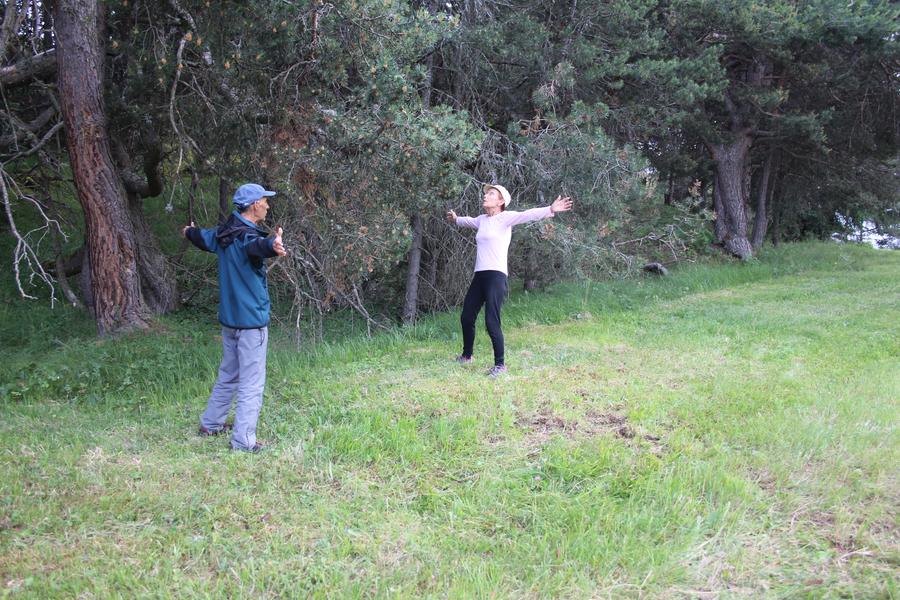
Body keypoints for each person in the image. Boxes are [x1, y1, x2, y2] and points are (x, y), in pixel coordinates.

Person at [182, 183, 286, 452]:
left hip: (229, 321)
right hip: (251, 323)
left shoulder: (223, 233)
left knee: (229, 373)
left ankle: (211, 424)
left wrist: (188, 231)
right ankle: (242, 441)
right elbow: (257, 246)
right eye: (265, 201)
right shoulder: (248, 238)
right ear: (253, 205)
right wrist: (272, 244)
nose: (267, 205)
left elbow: (200, 236)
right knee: (251, 382)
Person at [447, 184, 573, 376]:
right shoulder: (482, 220)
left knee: (491, 321)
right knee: (466, 316)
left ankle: (500, 365)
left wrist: (550, 209)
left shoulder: (505, 218)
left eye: (491, 194)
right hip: (480, 275)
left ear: (500, 202)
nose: (485, 196)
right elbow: (468, 221)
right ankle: (467, 356)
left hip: (496, 276)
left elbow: (528, 214)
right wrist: (456, 219)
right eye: (486, 193)